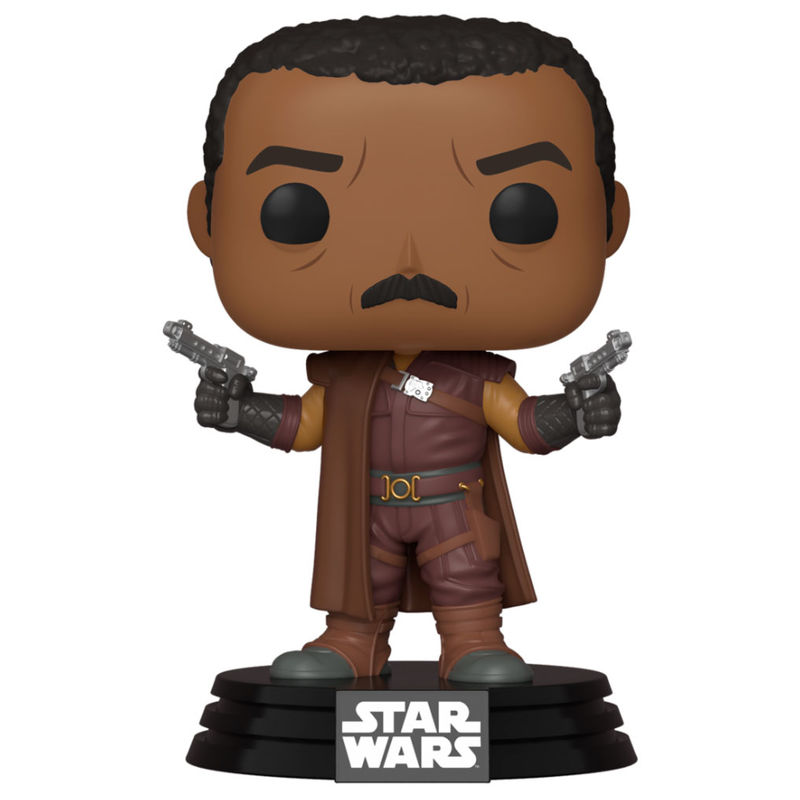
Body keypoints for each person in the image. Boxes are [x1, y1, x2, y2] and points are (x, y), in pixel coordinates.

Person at [184, 15, 629, 683]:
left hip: (453, 504)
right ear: (208, 223)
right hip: (367, 508)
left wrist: (580, 411)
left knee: (466, 580)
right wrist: (238, 410)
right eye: (297, 210)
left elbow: (525, 425)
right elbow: (305, 426)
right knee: (360, 585)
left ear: (608, 220)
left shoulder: (475, 378)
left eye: (521, 209)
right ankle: (351, 643)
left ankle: (474, 643)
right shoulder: (345, 380)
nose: (410, 260)